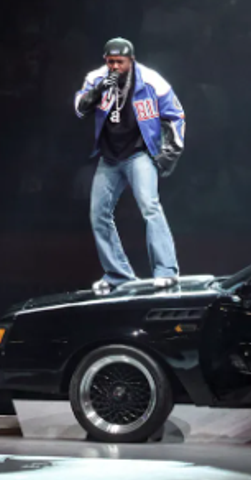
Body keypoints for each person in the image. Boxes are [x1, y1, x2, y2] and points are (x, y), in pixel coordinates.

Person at [73, 38, 185, 294]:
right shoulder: (96, 78)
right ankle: (118, 274)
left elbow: (176, 115)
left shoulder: (152, 80)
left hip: (139, 154)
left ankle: (166, 271)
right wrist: (100, 89)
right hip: (109, 157)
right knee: (98, 214)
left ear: (131, 60)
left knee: (150, 207)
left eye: (119, 62)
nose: (114, 67)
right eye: (110, 62)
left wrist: (169, 153)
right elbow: (80, 109)